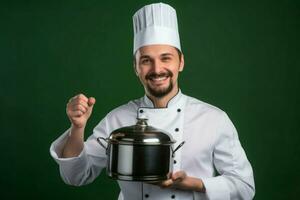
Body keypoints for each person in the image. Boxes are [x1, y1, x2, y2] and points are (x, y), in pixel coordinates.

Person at [50, 2, 255, 200]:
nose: (157, 69)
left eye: (166, 58)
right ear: (135, 67)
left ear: (180, 62)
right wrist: (77, 128)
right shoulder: (117, 119)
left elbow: (245, 187)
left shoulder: (213, 119)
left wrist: (193, 183)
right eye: (146, 60)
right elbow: (76, 177)